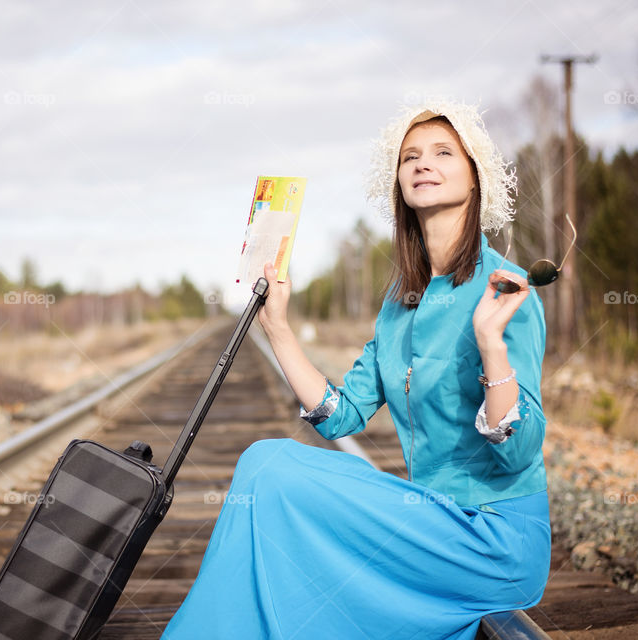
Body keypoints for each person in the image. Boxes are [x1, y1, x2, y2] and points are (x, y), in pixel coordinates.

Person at [161, 101, 550, 640]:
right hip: (433, 517)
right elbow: (340, 416)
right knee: (263, 462)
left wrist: (490, 343)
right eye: (409, 156)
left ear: (475, 175)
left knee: (272, 475)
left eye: (442, 152)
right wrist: (277, 327)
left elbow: (522, 448)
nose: (422, 163)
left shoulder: (505, 289)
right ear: (397, 183)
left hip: (495, 537)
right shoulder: (400, 302)